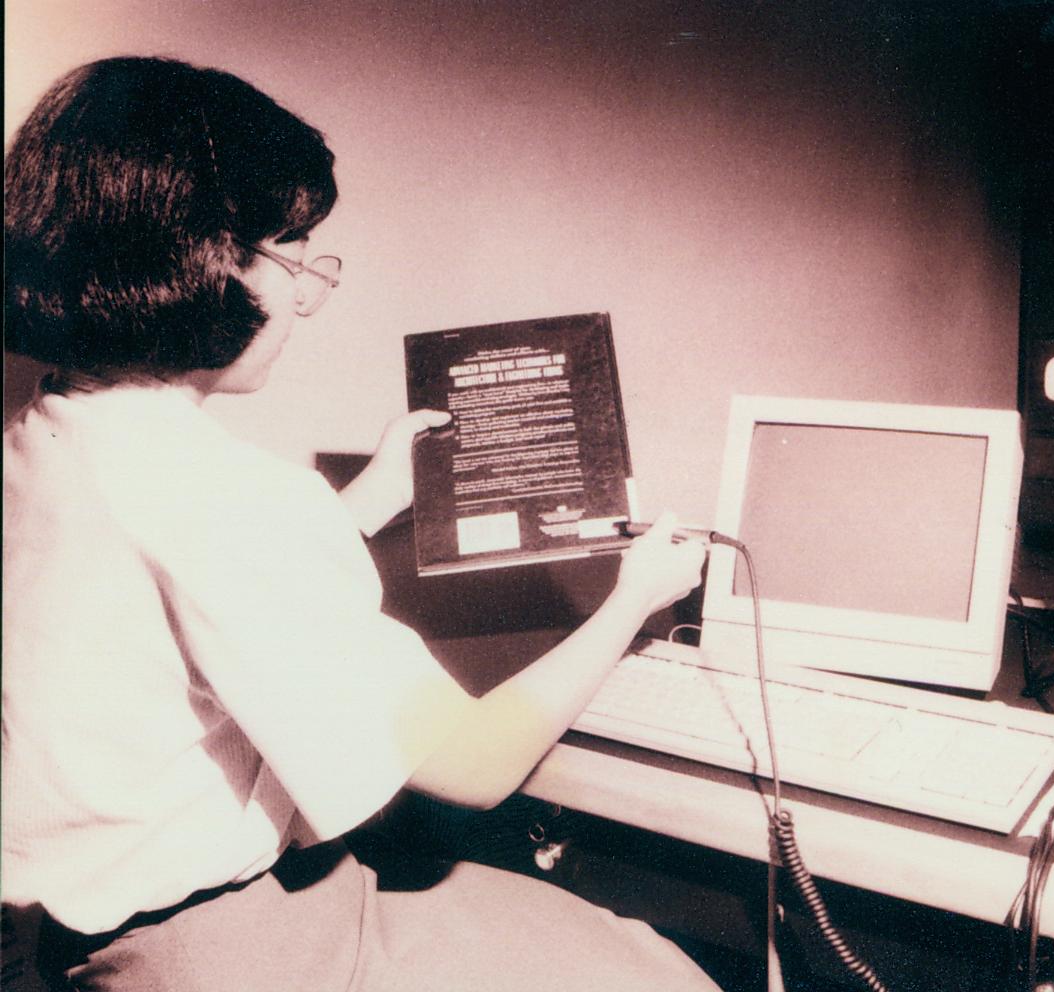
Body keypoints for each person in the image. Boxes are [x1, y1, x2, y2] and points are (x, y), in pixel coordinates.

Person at [1, 56, 717, 992]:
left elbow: (157, 589)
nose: (305, 295)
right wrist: (633, 599)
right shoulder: (228, 495)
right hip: (237, 950)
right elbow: (472, 765)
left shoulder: (42, 427)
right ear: (198, 258)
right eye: (291, 254)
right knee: (660, 971)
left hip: (73, 939)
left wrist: (368, 500)